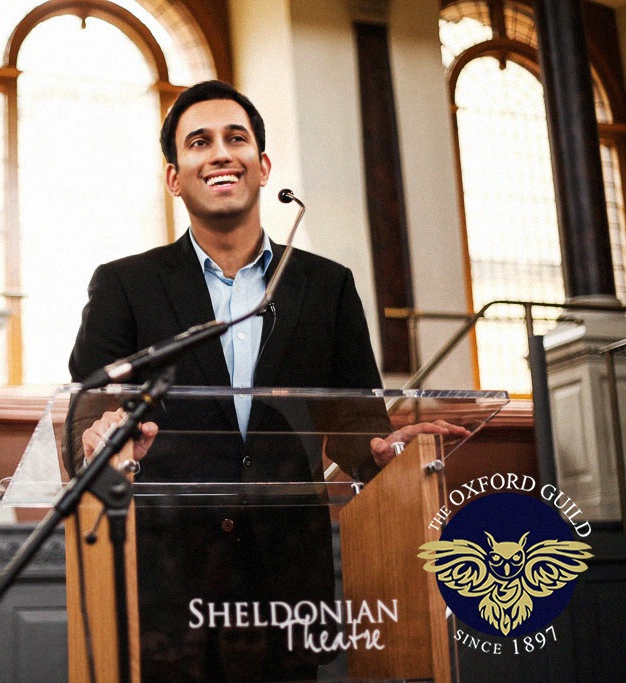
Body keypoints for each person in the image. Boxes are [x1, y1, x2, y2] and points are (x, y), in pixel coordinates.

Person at [68, 81, 464, 681]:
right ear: (175, 177)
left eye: (237, 139)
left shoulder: (326, 286)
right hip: (167, 584)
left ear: (263, 165)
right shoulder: (127, 284)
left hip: (286, 583)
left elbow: (357, 421)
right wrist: (95, 439)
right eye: (199, 142)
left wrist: (384, 453)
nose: (221, 153)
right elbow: (87, 414)